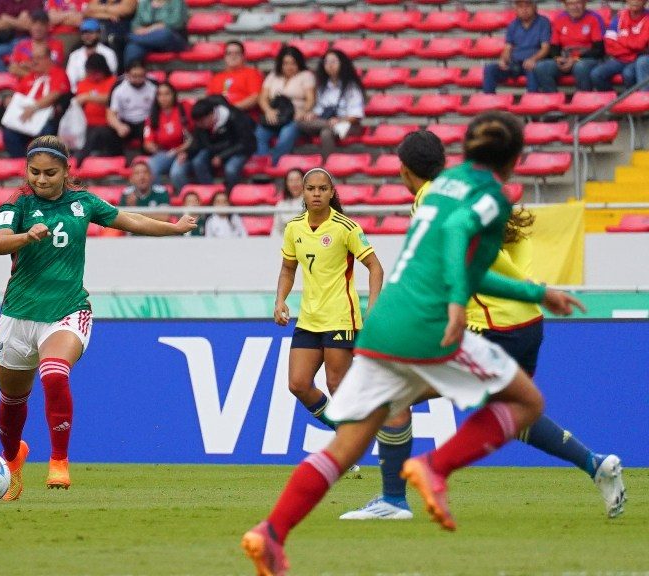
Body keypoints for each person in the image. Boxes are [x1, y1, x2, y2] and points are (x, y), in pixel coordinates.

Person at [241, 111, 588, 575]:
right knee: (526, 400)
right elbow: (459, 246)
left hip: (384, 325)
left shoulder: (438, 188)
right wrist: (532, 292)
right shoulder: (488, 198)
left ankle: (272, 531)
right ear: (517, 158)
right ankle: (434, 468)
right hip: (426, 326)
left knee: (346, 446)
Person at [340, 129, 627, 522]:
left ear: (404, 170)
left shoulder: (432, 199)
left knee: (391, 399)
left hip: (490, 326)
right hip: (525, 325)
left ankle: (394, 499)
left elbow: (471, 268)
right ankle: (597, 464)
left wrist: (534, 290)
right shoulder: (471, 194)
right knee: (516, 413)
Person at [0, 135, 196, 500]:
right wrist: (25, 236)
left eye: (50, 173)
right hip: (18, 315)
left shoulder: (83, 203)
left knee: (53, 371)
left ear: (67, 171)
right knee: (11, 402)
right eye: (34, 172)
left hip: (68, 310)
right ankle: (12, 460)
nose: (41, 179)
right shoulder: (17, 203)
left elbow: (128, 219)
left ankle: (59, 460)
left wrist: (173, 228)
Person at [274, 168, 383, 429]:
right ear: (303, 192)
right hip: (309, 318)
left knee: (336, 384)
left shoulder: (346, 227)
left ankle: (366, 430)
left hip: (340, 317)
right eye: (311, 188)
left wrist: (374, 308)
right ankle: (344, 430)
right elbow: (288, 269)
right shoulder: (294, 228)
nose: (316, 193)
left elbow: (375, 267)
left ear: (332, 192)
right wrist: (280, 300)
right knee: (298, 384)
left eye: (323, 189)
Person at [1, 42, 70, 157]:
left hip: (47, 119)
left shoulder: (59, 74)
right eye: (32, 58)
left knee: (46, 134)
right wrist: (9, 101)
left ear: (48, 58)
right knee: (9, 133)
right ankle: (21, 164)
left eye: (39, 58)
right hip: (25, 118)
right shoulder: (30, 76)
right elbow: (18, 95)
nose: (34, 61)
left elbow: (55, 94)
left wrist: (34, 107)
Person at [255, 45, 315, 165]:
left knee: (286, 135)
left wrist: (303, 111)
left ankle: (273, 166)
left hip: (294, 117)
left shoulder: (306, 76)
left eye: (293, 63)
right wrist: (268, 110)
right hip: (275, 116)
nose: (289, 67)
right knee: (259, 135)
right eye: (285, 63)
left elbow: (310, 99)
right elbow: (262, 97)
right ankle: (262, 166)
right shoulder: (273, 76)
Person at [180, 96, 256, 191]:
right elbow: (198, 141)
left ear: (211, 114)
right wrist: (187, 152)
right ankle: (210, 193)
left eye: (202, 121)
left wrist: (222, 156)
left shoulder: (235, 116)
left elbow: (245, 143)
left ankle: (229, 196)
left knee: (231, 169)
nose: (200, 125)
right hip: (215, 149)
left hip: (238, 149)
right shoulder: (200, 123)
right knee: (198, 162)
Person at [300, 49, 365, 160]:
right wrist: (313, 115)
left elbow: (356, 116)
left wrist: (339, 120)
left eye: (334, 62)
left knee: (326, 133)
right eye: (327, 62)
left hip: (349, 124)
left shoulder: (351, 87)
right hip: (328, 121)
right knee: (300, 122)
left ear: (342, 64)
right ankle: (328, 125)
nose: (330, 65)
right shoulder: (323, 87)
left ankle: (329, 168)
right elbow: (320, 109)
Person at [533, 0, 605, 92]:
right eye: (570, 4)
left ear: (584, 3)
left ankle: (583, 101)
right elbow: (554, 46)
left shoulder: (594, 18)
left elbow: (599, 50)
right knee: (541, 67)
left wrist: (575, 59)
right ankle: (553, 101)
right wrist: (557, 58)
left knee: (580, 67)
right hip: (566, 59)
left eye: (578, 3)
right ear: (565, 5)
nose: (574, 7)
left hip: (587, 59)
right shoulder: (560, 19)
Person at [482, 0, 552, 94]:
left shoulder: (543, 22)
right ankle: (488, 102)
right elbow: (507, 48)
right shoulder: (513, 25)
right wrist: (503, 60)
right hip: (515, 63)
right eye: (520, 6)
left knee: (531, 69)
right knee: (490, 69)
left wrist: (533, 59)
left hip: (533, 62)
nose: (524, 9)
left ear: (535, 7)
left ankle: (531, 102)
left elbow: (545, 48)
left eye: (527, 5)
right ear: (515, 9)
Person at [590, 0, 649, 90]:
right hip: (621, 58)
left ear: (645, 1)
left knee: (628, 73)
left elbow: (639, 44)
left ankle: (634, 101)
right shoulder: (619, 16)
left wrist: (620, 39)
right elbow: (609, 43)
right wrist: (630, 48)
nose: (635, 1)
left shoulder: (647, 18)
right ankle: (613, 101)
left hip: (637, 59)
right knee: (596, 74)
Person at [143, 80, 191, 187]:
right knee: (150, 168)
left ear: (173, 94)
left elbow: (194, 136)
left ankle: (184, 199)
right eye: (160, 94)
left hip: (184, 151)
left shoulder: (184, 108)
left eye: (167, 93)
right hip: (164, 153)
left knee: (176, 173)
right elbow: (148, 142)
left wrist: (182, 150)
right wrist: (151, 147)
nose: (163, 97)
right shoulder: (153, 116)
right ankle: (160, 197)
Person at [73, 54, 119, 163]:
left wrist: (88, 97)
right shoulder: (83, 84)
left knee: (99, 132)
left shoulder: (113, 81)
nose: (93, 76)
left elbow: (111, 98)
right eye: (90, 73)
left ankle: (82, 158)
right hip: (86, 125)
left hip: (108, 125)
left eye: (96, 73)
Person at [106, 59, 157, 152]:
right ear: (127, 75)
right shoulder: (118, 87)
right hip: (125, 121)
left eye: (141, 76)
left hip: (147, 122)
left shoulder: (154, 85)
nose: (138, 80)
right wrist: (119, 126)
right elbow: (111, 114)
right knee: (109, 134)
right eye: (134, 76)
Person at [0, 0, 44, 72]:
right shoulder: (1, 1)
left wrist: (7, 19)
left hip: (27, 40)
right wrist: (19, 22)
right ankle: (7, 77)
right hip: (6, 40)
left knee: (30, 56)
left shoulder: (35, 1)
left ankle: (24, 77)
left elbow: (32, 26)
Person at [122, 0, 187, 67]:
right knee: (133, 47)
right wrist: (139, 30)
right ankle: (131, 72)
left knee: (165, 34)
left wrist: (152, 29)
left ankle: (127, 38)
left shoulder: (177, 2)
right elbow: (135, 24)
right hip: (147, 40)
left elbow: (177, 22)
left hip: (172, 39)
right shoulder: (144, 3)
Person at [207, 41, 263, 113]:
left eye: (237, 53)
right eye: (229, 53)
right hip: (219, 118)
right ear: (224, 57)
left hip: (242, 116)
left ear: (243, 56)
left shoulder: (252, 73)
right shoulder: (215, 78)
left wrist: (230, 110)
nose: (233, 56)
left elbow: (255, 97)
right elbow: (208, 101)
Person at [7, 10, 65, 78]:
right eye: (34, 24)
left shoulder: (56, 44)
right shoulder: (21, 45)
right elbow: (13, 69)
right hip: (24, 85)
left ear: (48, 26)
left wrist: (27, 66)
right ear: (30, 26)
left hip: (48, 85)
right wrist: (35, 75)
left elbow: (52, 68)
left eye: (42, 24)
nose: (37, 28)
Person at [65, 17, 118, 91]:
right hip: (80, 92)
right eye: (84, 33)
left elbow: (110, 77)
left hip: (103, 92)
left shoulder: (108, 53)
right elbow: (70, 80)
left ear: (98, 34)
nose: (87, 36)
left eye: (91, 32)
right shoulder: (74, 55)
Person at [120, 160, 170, 224]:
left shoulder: (161, 192)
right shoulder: (127, 193)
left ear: (151, 176)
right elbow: (120, 219)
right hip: (134, 232)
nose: (142, 177)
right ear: (131, 179)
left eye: (145, 172)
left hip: (155, 232)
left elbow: (164, 217)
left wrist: (133, 210)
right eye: (137, 173)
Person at [272, 168, 304, 236]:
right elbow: (276, 230)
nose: (294, 184)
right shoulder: (281, 205)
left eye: (297, 180)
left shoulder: (312, 203)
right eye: (291, 180)